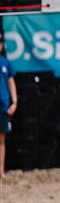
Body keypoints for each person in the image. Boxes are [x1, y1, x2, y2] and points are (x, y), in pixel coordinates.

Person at [0, 37, 15, 178]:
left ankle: (1, 170)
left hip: (3, 106)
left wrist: (14, 102)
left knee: (1, 140)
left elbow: (11, 82)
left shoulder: (6, 63)